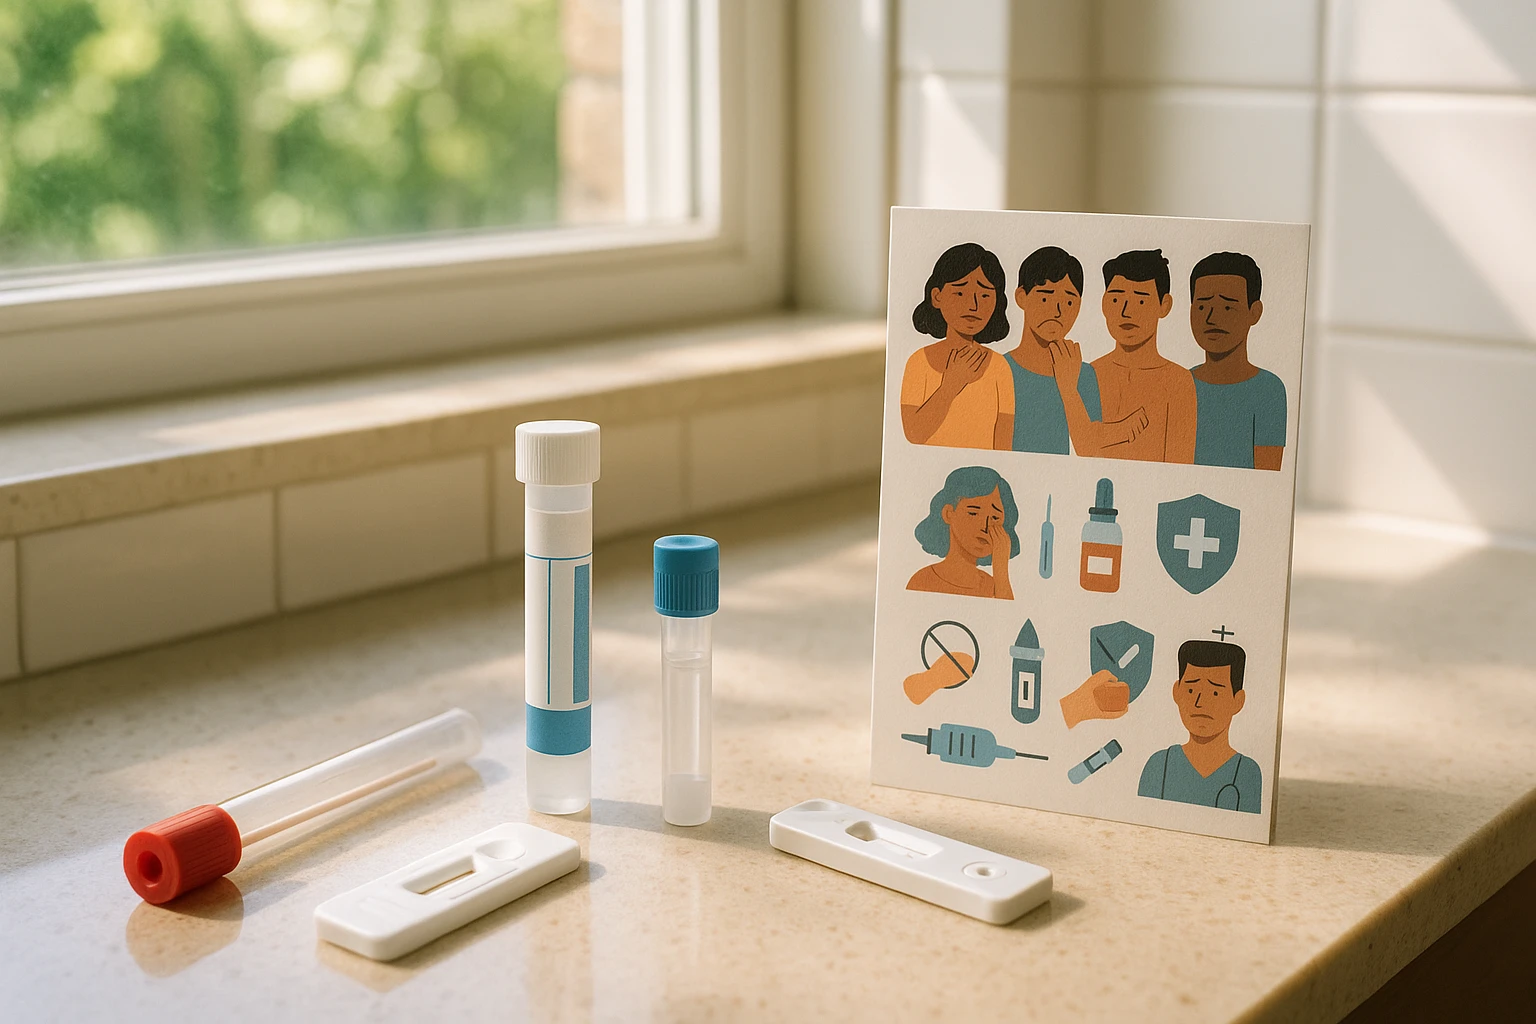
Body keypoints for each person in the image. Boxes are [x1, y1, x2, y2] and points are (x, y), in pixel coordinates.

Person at [1005, 245, 1149, 455]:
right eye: (1045, 297)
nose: (1057, 310)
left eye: (1069, 301)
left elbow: (1089, 446)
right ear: (1021, 297)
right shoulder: (1001, 369)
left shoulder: (1086, 375)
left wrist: (1069, 388)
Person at [1055, 249, 1197, 463]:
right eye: (1115, 299)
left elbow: (1180, 465)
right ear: (1104, 303)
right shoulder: (1089, 373)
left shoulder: (1179, 381)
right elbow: (1084, 449)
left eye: (1141, 301)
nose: (1126, 311)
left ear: (1164, 305)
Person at [900, 243, 1016, 451]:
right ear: (937, 297)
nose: (973, 305)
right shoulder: (918, 362)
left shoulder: (999, 367)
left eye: (985, 295)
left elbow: (1003, 445)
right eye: (960, 293)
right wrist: (950, 385)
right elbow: (914, 434)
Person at [1188, 252, 1287, 470]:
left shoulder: (1269, 390)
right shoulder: (1179, 384)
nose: (1212, 318)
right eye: (1202, 307)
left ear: (1255, 312)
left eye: (1227, 307)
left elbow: (1268, 476)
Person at [1137, 639, 1261, 813]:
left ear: (1238, 701)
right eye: (1191, 690)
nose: (1200, 703)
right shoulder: (1160, 765)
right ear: (1177, 692)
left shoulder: (1246, 773)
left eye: (1215, 692)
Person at [907, 466, 1019, 600]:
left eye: (995, 518)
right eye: (973, 513)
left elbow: (1008, 618)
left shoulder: (993, 585)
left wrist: (1001, 572)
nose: (985, 526)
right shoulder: (922, 581)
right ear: (948, 514)